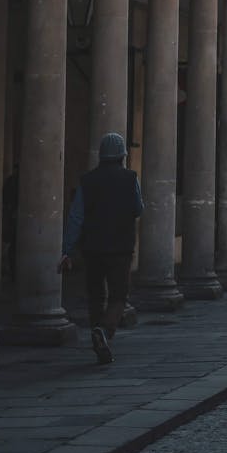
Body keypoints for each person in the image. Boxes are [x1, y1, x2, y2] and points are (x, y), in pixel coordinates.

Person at [59, 133, 143, 365]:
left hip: (93, 248)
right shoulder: (130, 178)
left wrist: (67, 249)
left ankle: (98, 334)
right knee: (118, 295)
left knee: (95, 296)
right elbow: (138, 208)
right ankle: (104, 332)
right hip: (121, 248)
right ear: (122, 157)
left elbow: (76, 217)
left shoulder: (87, 180)